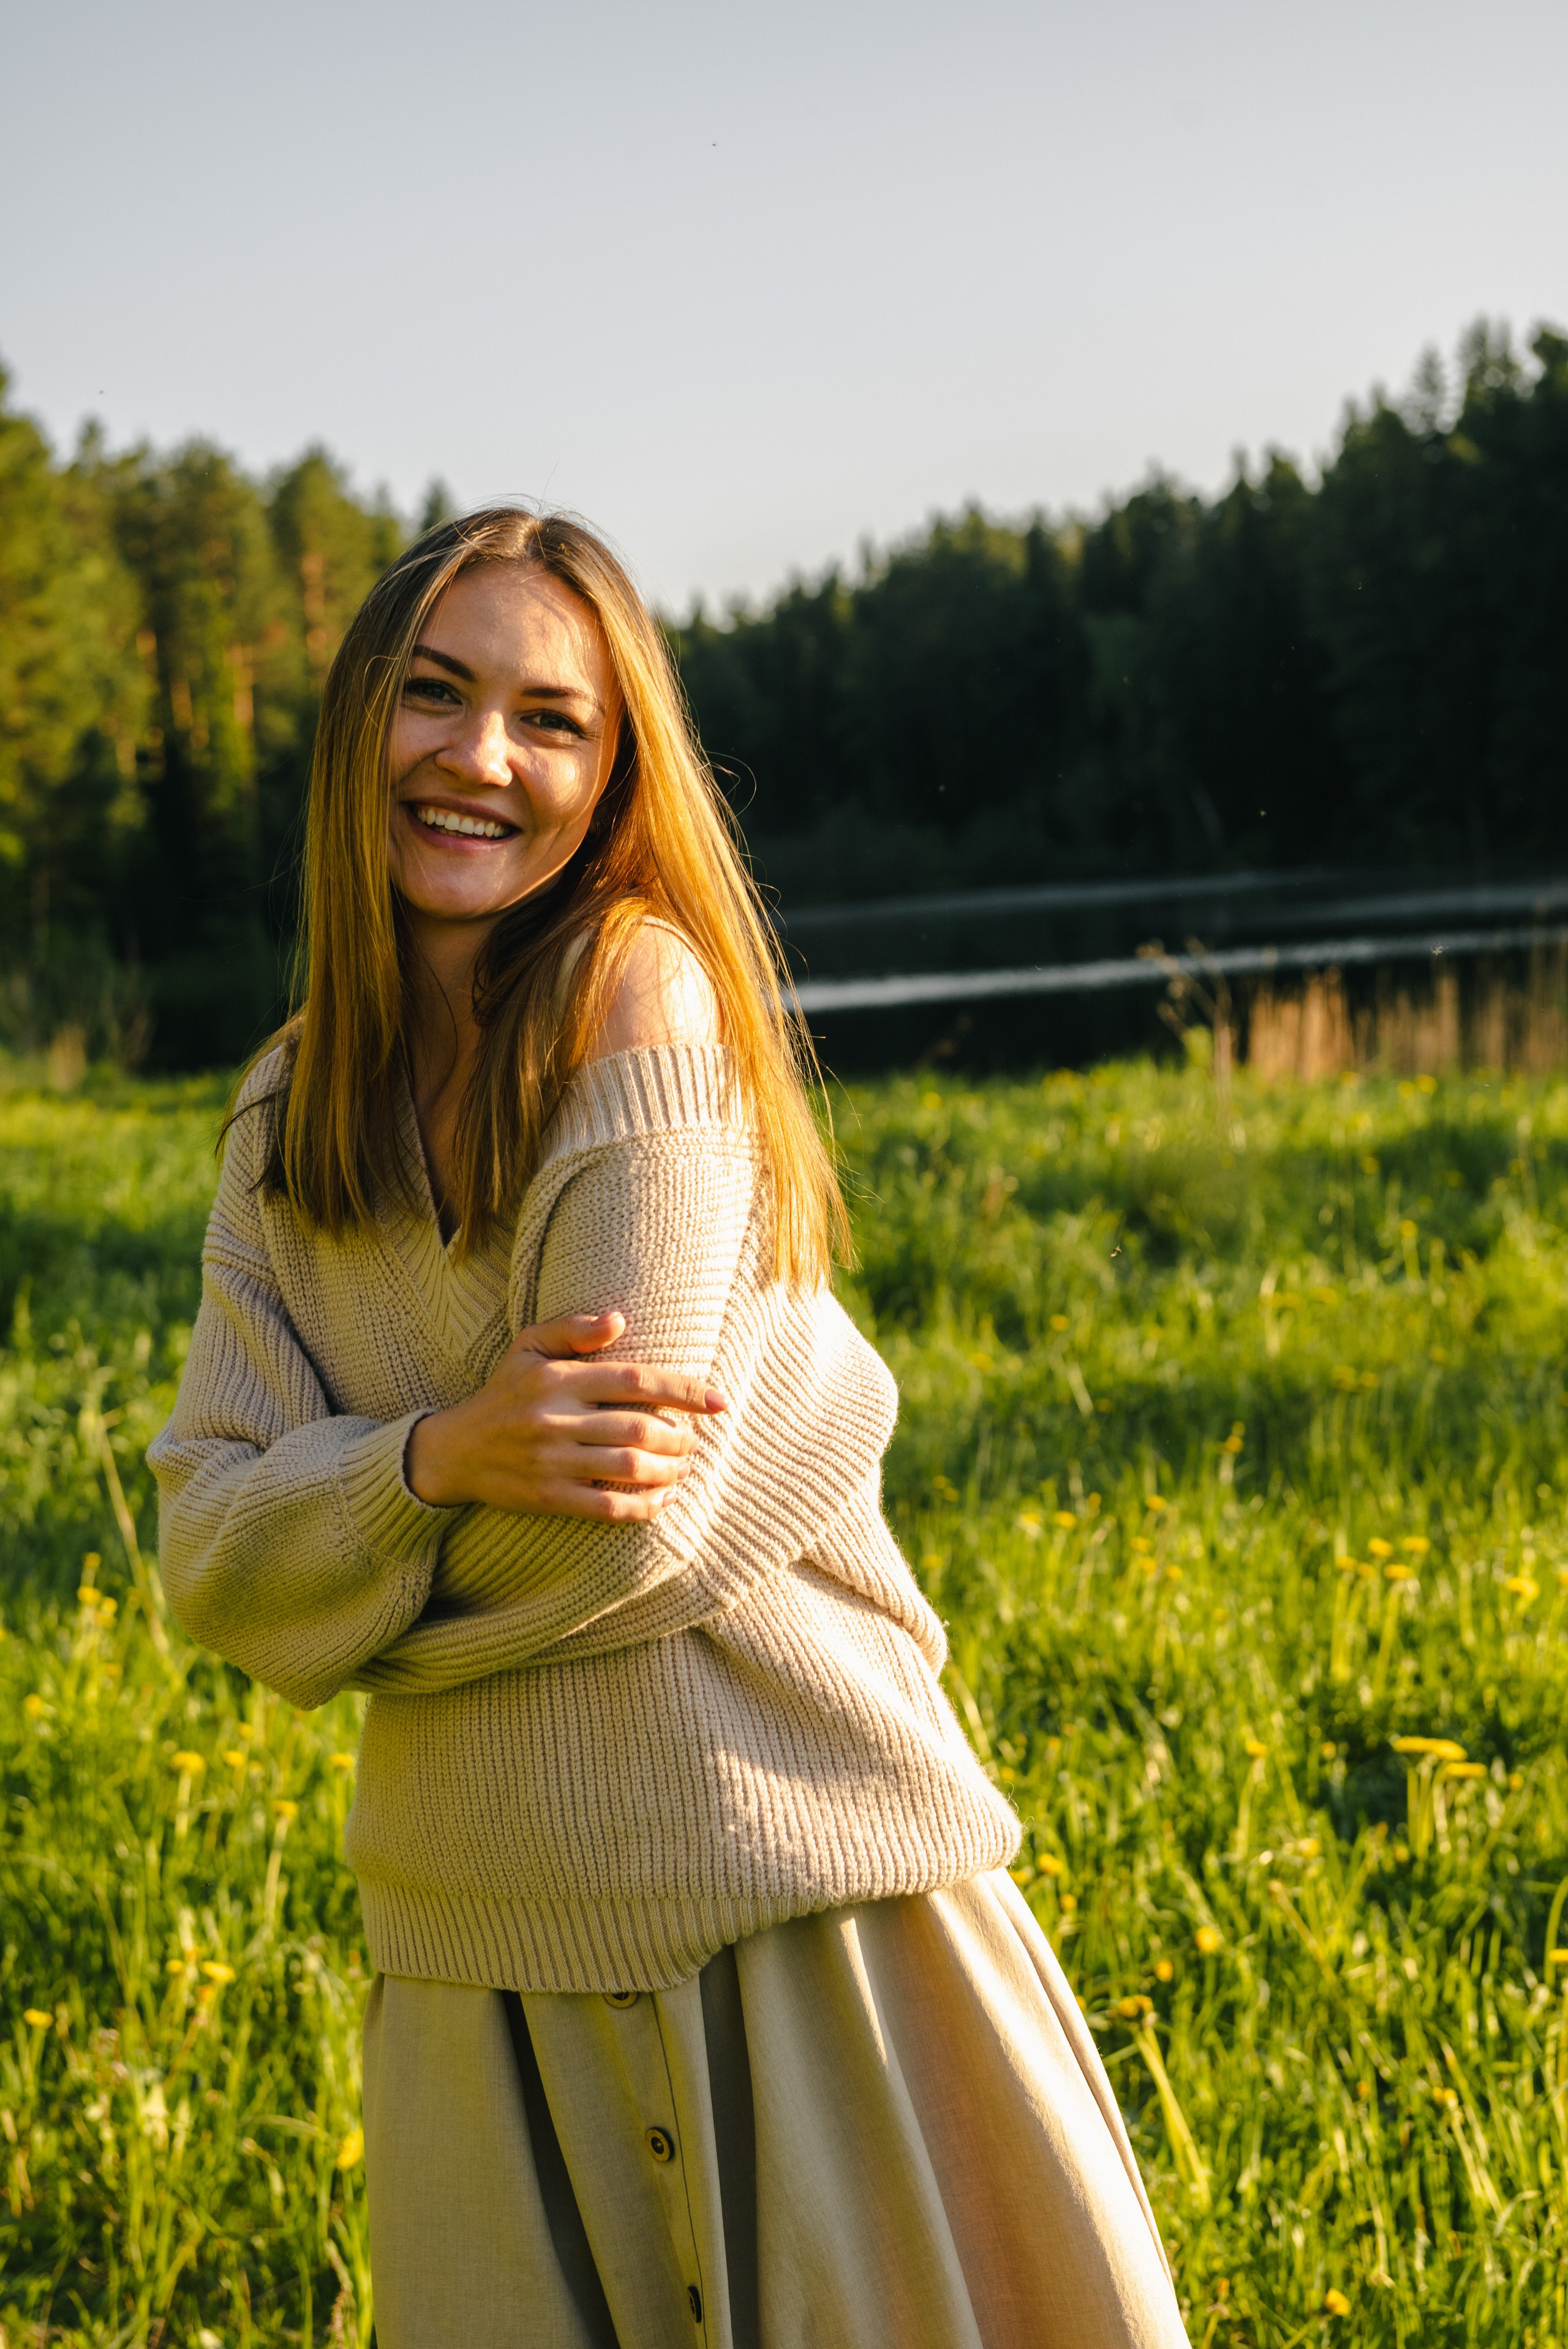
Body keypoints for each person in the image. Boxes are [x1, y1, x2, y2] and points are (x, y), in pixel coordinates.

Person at [149, 508, 1190, 2349]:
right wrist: (436, 1456)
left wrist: (359, 1605)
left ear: (614, 772)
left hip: (791, 1897)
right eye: (436, 695)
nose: (484, 757)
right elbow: (202, 1560)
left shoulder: (642, 994)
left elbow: (616, 1522)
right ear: (355, 732)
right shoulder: (284, 1109)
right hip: (472, 1947)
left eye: (553, 719)